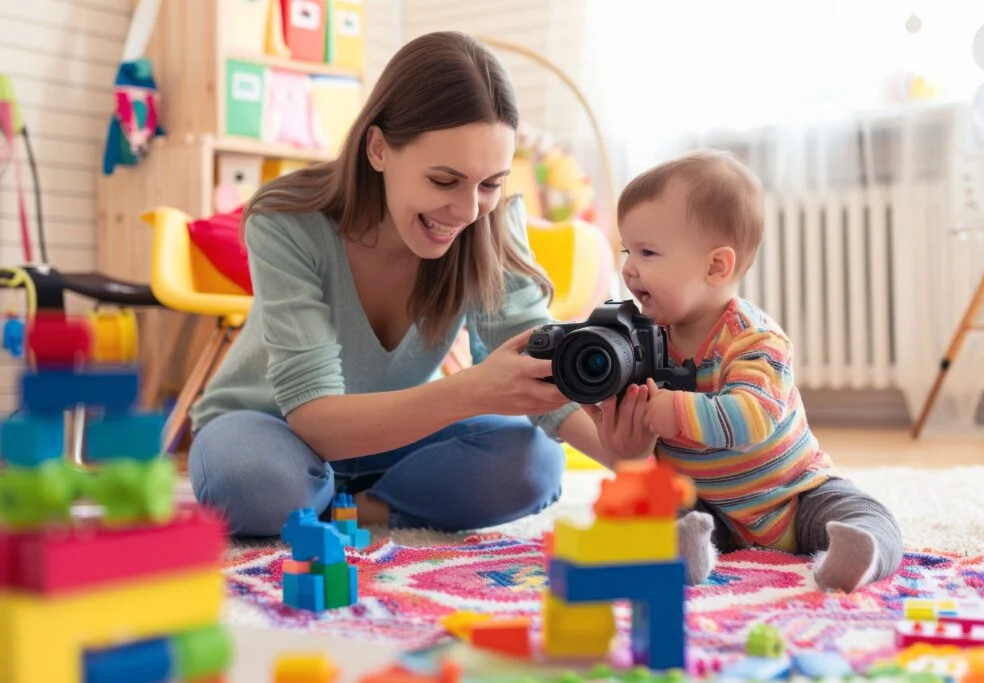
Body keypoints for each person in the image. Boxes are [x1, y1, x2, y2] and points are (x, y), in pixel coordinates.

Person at [187, 31, 653, 538]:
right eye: (444, 181)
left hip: (394, 437)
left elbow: (545, 372)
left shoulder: (488, 224)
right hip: (271, 428)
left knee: (532, 462)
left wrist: (643, 469)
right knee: (255, 484)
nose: (469, 210)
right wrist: (471, 391)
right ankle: (315, 499)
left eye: (491, 183)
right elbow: (313, 419)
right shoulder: (287, 221)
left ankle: (349, 509)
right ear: (379, 148)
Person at [615, 150, 903, 592]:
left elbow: (754, 415)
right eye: (626, 250)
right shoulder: (646, 336)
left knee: (862, 512)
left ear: (716, 266)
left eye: (648, 252)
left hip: (794, 494)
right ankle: (688, 553)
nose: (629, 268)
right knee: (656, 517)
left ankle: (859, 552)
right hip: (709, 508)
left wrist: (677, 411)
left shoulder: (753, 338)